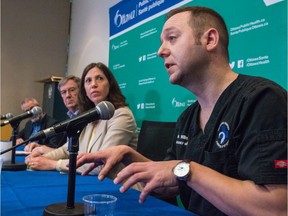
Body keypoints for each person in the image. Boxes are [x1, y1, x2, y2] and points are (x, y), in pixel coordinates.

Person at [75, 6, 287, 216]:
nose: (160, 51)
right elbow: (171, 182)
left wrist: (187, 170)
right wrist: (129, 156)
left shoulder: (261, 100)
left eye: (172, 38)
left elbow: (276, 207)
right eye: (161, 42)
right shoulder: (187, 118)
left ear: (210, 40)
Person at [25, 62, 138, 175]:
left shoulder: (122, 115)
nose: (93, 84)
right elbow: (67, 150)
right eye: (88, 81)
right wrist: (41, 158)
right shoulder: (89, 116)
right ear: (84, 90)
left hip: (119, 186)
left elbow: (101, 164)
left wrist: (53, 164)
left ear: (110, 84)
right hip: (90, 181)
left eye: (99, 78)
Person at [24, 75, 81, 154]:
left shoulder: (87, 118)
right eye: (63, 92)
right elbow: (66, 152)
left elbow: (77, 155)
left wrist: (44, 150)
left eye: (72, 90)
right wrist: (41, 148)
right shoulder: (71, 119)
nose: (68, 95)